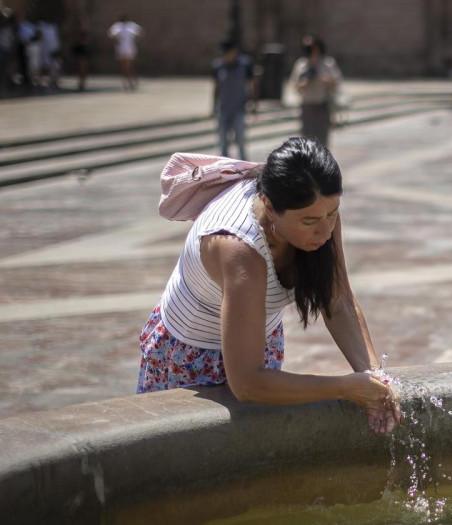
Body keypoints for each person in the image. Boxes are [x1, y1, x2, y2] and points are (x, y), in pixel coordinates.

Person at [140, 138, 402, 435]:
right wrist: (344, 387)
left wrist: (372, 376)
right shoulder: (238, 247)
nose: (325, 229)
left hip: (257, 343)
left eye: (333, 213)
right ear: (269, 206)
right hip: (189, 358)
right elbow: (248, 383)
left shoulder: (318, 210)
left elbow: (338, 301)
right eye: (310, 221)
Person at [290, 35, 342, 146]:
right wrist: (303, 83)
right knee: (307, 141)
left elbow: (337, 84)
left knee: (322, 140)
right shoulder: (301, 64)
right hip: (307, 106)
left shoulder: (327, 63)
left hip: (322, 105)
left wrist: (326, 80)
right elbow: (294, 85)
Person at [212, 39, 256, 160]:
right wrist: (213, 106)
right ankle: (224, 167)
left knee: (241, 140)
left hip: (239, 108)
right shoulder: (218, 66)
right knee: (223, 142)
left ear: (234, 52)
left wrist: (253, 103)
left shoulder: (245, 65)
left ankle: (243, 165)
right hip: (223, 108)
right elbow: (216, 87)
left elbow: (252, 85)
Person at [108, 14, 142, 91]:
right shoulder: (118, 26)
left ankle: (132, 80)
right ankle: (128, 82)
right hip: (121, 49)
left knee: (130, 66)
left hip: (130, 48)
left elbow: (139, 32)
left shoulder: (131, 25)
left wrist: (135, 40)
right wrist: (117, 40)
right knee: (124, 66)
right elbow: (111, 34)